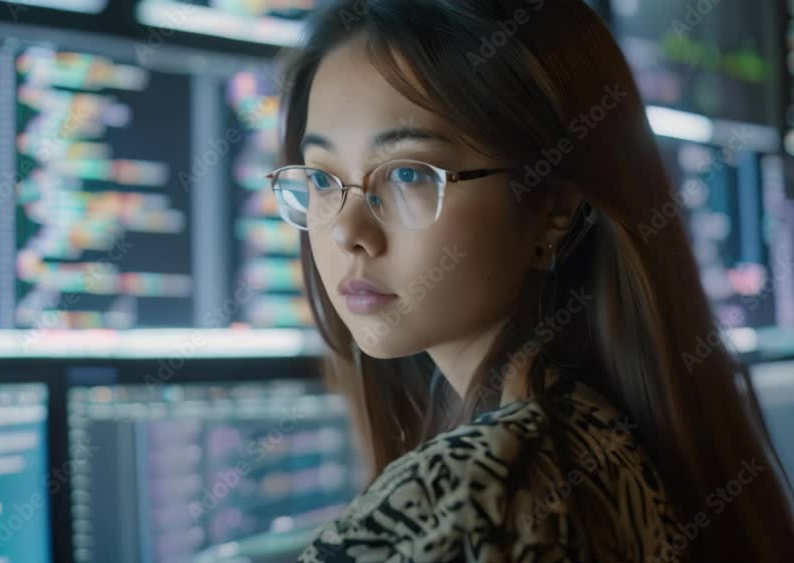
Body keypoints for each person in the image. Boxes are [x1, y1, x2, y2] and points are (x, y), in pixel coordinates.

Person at [265, 0, 794, 561]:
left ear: (552, 210)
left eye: (408, 173)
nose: (348, 232)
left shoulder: (477, 497)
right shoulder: (603, 440)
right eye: (322, 178)